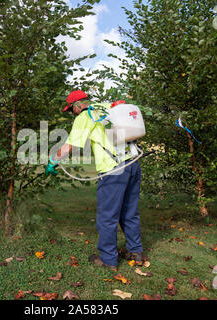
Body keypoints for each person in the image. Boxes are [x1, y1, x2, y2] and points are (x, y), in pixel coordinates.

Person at [45, 90, 146, 271]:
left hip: (113, 170)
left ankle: (108, 260)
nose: (71, 113)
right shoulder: (107, 107)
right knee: (130, 212)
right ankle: (136, 253)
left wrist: (54, 160)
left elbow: (70, 145)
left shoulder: (84, 117)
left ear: (77, 106)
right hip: (133, 164)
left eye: (71, 110)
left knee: (107, 217)